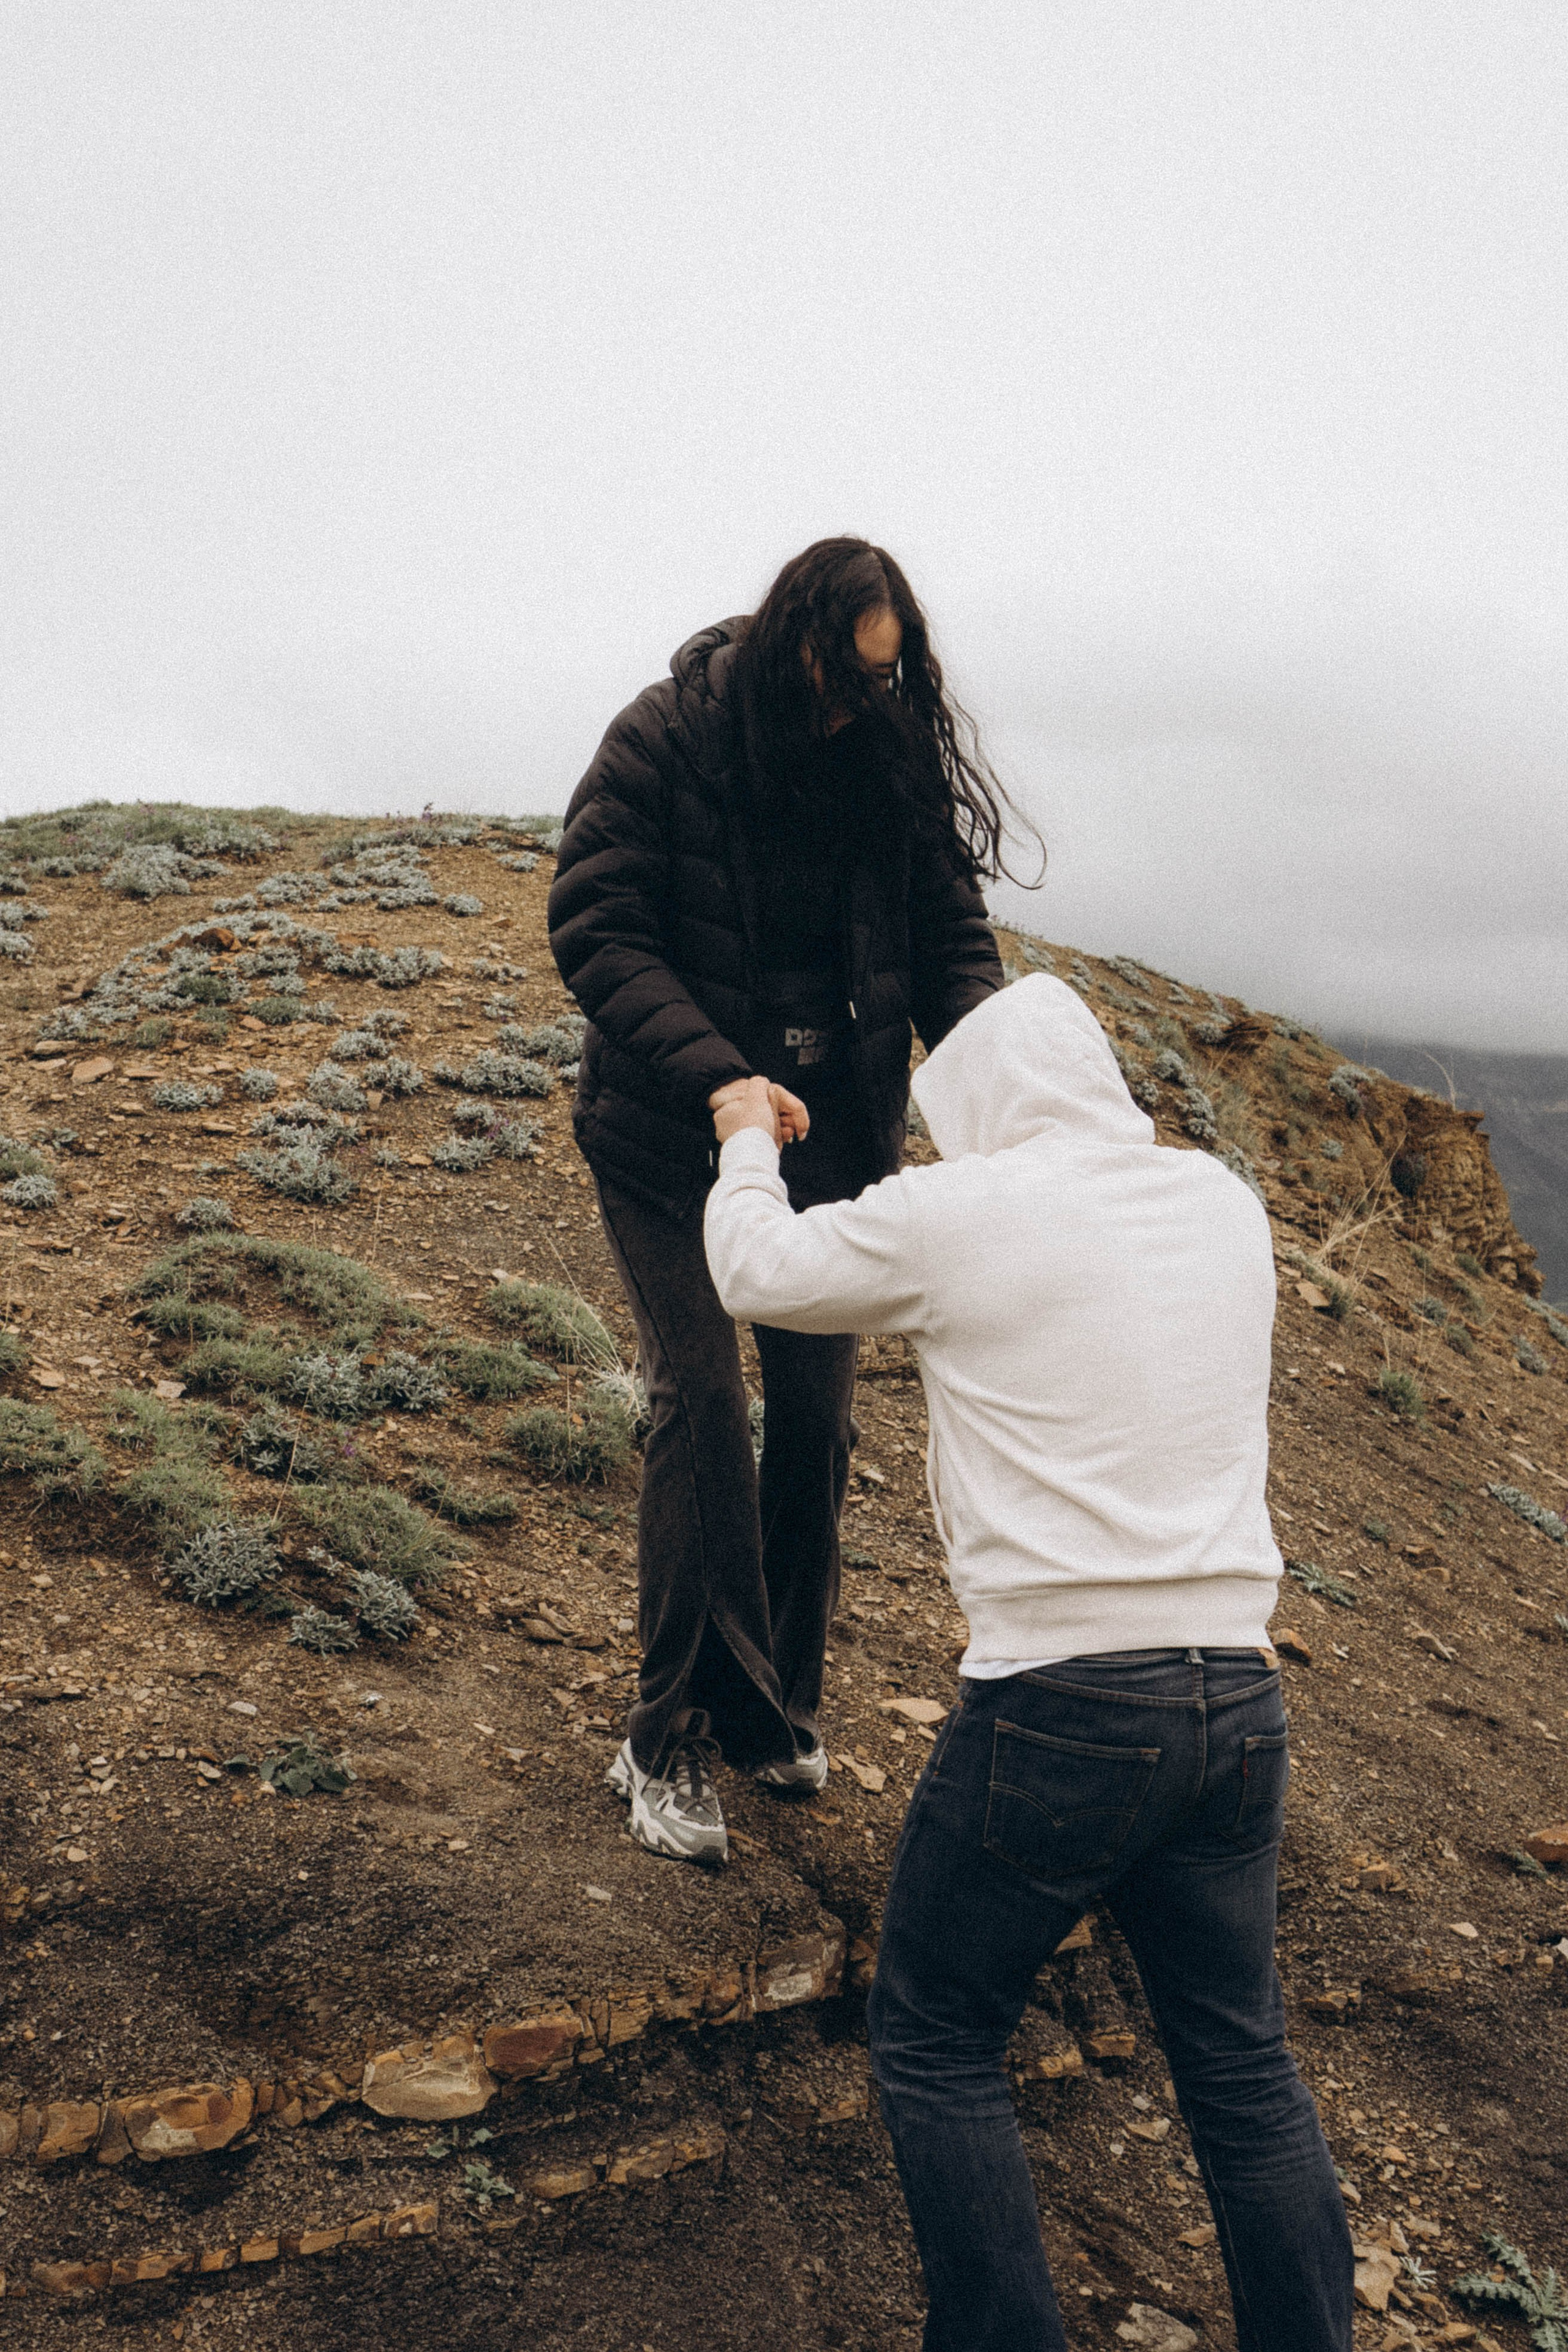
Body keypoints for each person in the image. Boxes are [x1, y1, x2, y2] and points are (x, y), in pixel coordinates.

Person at [702, 975, 1354, 2352]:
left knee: (936, 2037)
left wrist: (747, 1134)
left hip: (1060, 1699)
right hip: (1236, 1697)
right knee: (1240, 2064)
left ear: (974, 1110)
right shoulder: (1221, 1205)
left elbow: (757, 1274)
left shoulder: (967, 1214)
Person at [548, 537, 1030, 1864]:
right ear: (787, 640)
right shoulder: (664, 739)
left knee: (813, 1426)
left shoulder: (882, 757)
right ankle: (664, 1741)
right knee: (701, 1403)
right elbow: (596, 925)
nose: (845, 705)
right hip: (669, 1134)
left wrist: (1004, 1099)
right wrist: (718, 1081)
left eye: (876, 681)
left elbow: (948, 945)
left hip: (834, 1145)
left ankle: (763, 1710)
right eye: (834, 674)